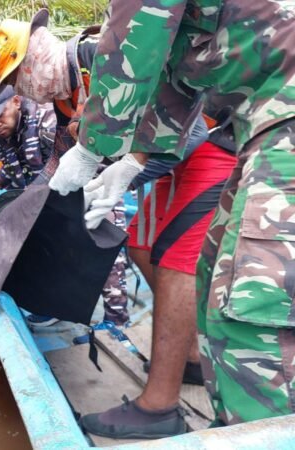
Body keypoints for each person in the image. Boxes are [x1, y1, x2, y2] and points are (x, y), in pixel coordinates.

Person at [40, 0, 295, 435]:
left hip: (278, 115)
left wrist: (90, 147)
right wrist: (133, 162)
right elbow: (175, 81)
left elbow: (135, 44)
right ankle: (230, 421)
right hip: (257, 123)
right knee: (215, 277)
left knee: (251, 304)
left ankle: (258, 431)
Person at [0, 12, 130, 326]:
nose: (21, 92)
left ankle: (118, 324)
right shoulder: (64, 100)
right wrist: (30, 201)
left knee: (108, 241)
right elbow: (58, 159)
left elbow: (190, 130)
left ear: (31, 62)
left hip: (163, 160)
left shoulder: (99, 56)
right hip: (106, 174)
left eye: (16, 82)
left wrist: (131, 170)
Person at [0, 82, 55, 205]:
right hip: (34, 196)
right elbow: (10, 168)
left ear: (16, 102)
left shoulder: (46, 123)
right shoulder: (5, 132)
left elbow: (66, 165)